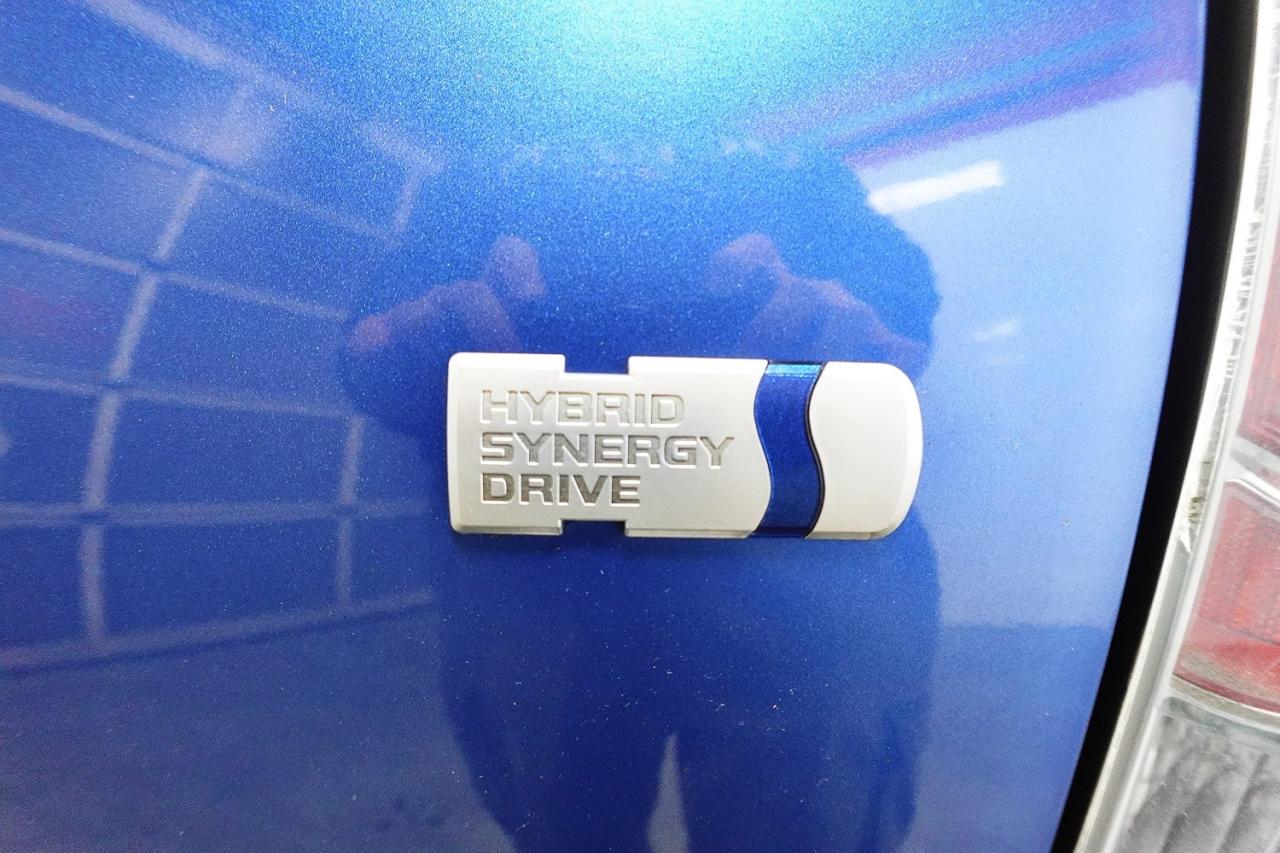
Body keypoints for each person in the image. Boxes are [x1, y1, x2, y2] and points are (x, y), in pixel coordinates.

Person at [342, 142, 940, 852]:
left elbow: (901, 318)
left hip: (775, 552)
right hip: (557, 560)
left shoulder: (790, 171)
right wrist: (409, 344)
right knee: (569, 826)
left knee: (797, 817)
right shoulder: (486, 172)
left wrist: (852, 320)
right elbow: (374, 348)